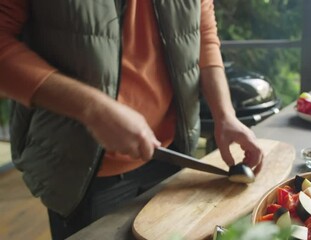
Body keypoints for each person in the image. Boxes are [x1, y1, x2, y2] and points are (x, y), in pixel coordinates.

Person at [0, 0, 264, 239]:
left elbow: (203, 35)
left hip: (174, 156)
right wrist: (93, 109)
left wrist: (225, 115)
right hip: (82, 172)